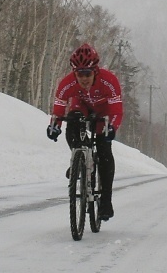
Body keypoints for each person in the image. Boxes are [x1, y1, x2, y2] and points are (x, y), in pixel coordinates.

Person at [46, 43, 123, 221]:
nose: (84, 78)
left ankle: (105, 201)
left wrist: (111, 127)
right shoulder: (67, 83)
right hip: (82, 107)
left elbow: (116, 111)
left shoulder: (109, 81)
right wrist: (54, 125)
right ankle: (78, 160)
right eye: (79, 74)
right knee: (73, 121)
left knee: (104, 150)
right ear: (74, 73)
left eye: (87, 73)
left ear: (95, 71)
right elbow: (58, 110)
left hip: (104, 111)